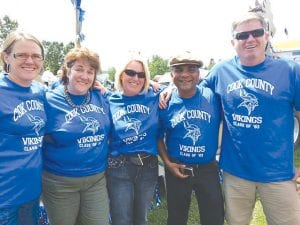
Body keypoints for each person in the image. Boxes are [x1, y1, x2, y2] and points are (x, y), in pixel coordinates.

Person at [160, 12, 300, 225]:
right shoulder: (222, 71)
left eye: (256, 32)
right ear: (233, 41)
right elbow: (192, 88)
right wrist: (170, 87)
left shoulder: (290, 71)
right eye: (243, 35)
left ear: (267, 36)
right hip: (236, 174)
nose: (250, 39)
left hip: (278, 175)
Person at [42, 47, 111, 225]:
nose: (85, 76)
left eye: (90, 71)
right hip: (60, 182)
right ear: (67, 70)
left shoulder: (101, 97)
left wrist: (153, 86)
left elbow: (128, 96)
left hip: (96, 179)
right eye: (79, 69)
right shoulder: (48, 100)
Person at [158, 52, 224, 225]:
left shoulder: (212, 97)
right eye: (179, 70)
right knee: (176, 219)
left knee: (214, 218)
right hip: (177, 169)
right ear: (172, 74)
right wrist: (167, 163)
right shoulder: (165, 103)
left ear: (199, 73)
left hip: (208, 169)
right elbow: (157, 136)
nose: (185, 74)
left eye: (191, 69)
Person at [106, 56, 160, 225]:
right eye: (130, 72)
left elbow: (177, 86)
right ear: (121, 75)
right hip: (118, 167)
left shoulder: (155, 97)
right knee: (121, 219)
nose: (136, 78)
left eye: (141, 74)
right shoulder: (108, 99)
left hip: (148, 166)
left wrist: (167, 90)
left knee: (140, 219)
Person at [0, 32, 47, 225]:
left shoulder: (40, 91)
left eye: (36, 56)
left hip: (31, 193)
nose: (30, 61)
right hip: (4, 199)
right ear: (6, 57)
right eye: (22, 55)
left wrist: (95, 86)